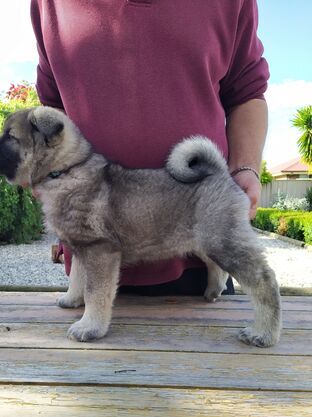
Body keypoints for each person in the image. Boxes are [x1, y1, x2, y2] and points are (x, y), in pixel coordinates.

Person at [30, 0, 269, 296]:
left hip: (201, 251)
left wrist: (245, 167)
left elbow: (247, 91)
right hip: (91, 260)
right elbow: (51, 103)